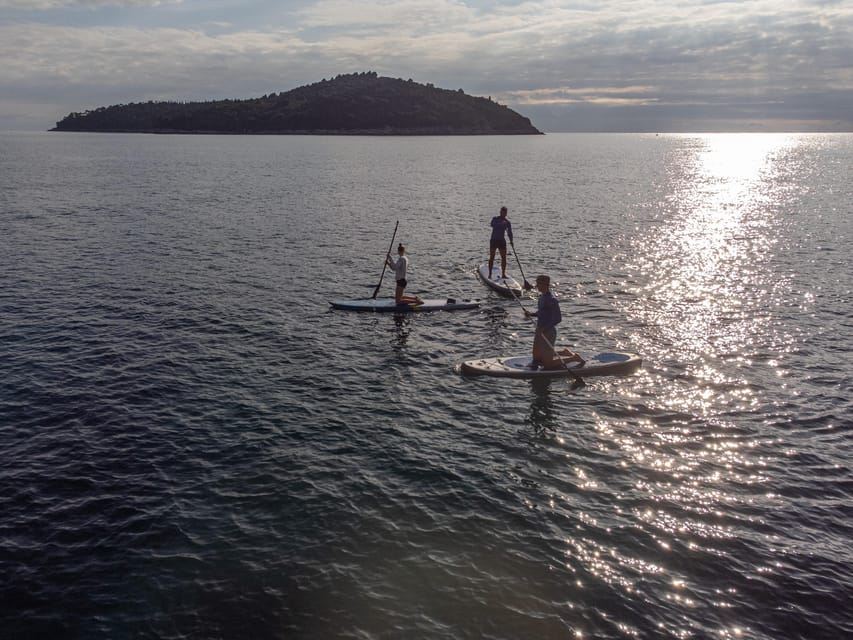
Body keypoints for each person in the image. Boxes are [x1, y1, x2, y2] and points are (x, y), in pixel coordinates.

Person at [524, 274, 584, 370]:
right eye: (537, 283)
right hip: (539, 330)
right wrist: (531, 314)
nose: (536, 286)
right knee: (537, 359)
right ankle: (564, 352)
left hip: (548, 332)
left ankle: (574, 358)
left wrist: (545, 328)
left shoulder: (552, 300)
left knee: (547, 365)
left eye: (538, 284)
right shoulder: (542, 297)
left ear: (545, 285)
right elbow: (542, 312)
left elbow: (558, 318)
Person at [488, 206, 513, 280]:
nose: (503, 214)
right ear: (500, 212)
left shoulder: (507, 222)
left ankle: (503, 274)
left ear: (506, 213)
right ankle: (489, 274)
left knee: (504, 258)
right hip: (494, 240)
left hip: (501, 240)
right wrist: (501, 223)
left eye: (505, 213)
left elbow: (509, 232)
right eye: (502, 212)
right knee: (492, 257)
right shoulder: (495, 219)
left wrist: (511, 241)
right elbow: (492, 224)